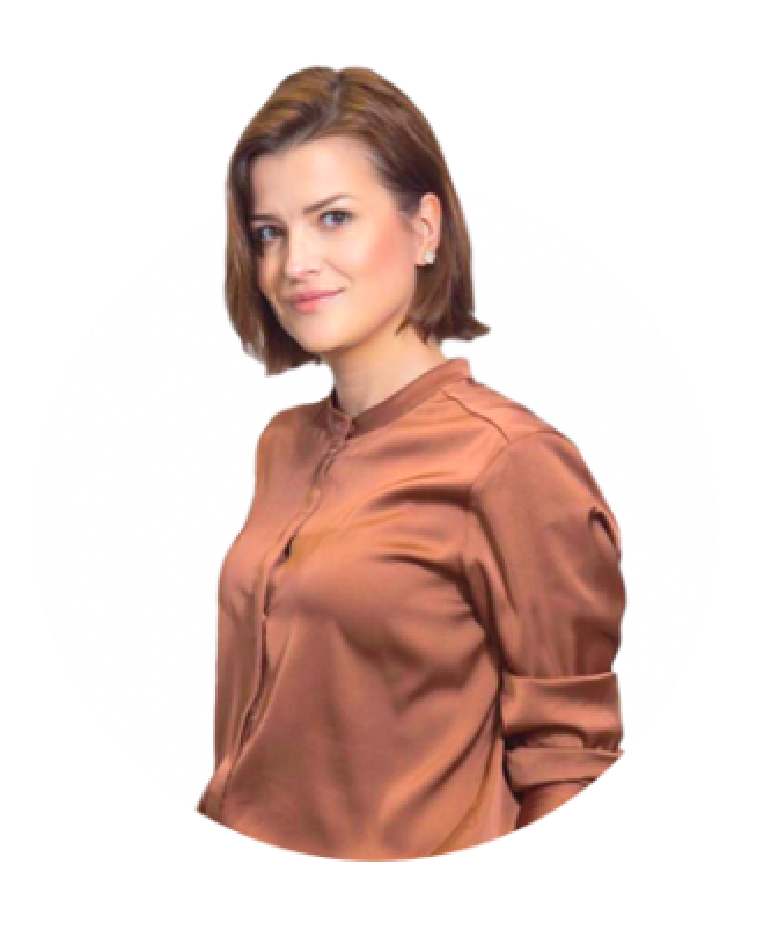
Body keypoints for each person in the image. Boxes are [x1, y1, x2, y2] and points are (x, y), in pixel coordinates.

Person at [196, 65, 626, 860]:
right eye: (268, 232)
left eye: (333, 218)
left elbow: (569, 765)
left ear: (424, 228)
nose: (294, 263)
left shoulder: (511, 463)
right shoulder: (283, 445)